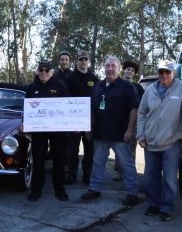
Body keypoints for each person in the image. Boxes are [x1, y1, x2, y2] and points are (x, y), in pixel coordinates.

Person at [136, 60, 182, 221]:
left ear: (174, 72)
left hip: (171, 141)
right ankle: (153, 204)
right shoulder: (150, 90)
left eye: (167, 72)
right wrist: (140, 135)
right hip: (150, 141)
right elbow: (141, 114)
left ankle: (167, 207)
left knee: (169, 178)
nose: (164, 75)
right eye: (161, 72)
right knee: (150, 177)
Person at [81, 56, 140, 206]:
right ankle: (94, 188)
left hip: (121, 134)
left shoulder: (127, 86)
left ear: (119, 69)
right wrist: (89, 128)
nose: (110, 69)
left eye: (113, 66)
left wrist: (130, 130)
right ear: (104, 68)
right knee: (98, 163)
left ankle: (132, 192)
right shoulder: (98, 86)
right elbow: (92, 109)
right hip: (100, 133)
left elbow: (134, 109)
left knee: (126, 164)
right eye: (107, 66)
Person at [25, 61, 70, 202]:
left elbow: (68, 106)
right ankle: (36, 190)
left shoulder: (60, 85)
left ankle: (59, 189)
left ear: (51, 72)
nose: (44, 72)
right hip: (39, 131)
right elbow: (26, 109)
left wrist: (73, 123)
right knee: (38, 160)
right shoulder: (32, 88)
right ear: (37, 71)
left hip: (57, 130)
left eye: (47, 70)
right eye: (41, 70)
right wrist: (24, 124)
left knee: (59, 160)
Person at [64, 50, 99, 185]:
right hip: (73, 121)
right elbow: (65, 98)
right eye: (80, 59)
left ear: (88, 61)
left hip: (89, 120)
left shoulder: (94, 78)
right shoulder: (70, 78)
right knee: (72, 150)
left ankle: (87, 175)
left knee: (89, 150)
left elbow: (97, 98)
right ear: (77, 61)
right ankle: (71, 174)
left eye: (85, 59)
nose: (83, 62)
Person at [113, 60, 145, 180]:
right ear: (123, 70)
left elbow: (143, 104)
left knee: (131, 148)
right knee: (118, 148)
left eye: (132, 70)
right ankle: (118, 172)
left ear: (134, 73)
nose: (130, 71)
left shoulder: (138, 87)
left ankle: (129, 172)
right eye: (128, 69)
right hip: (118, 122)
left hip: (133, 123)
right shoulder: (117, 84)